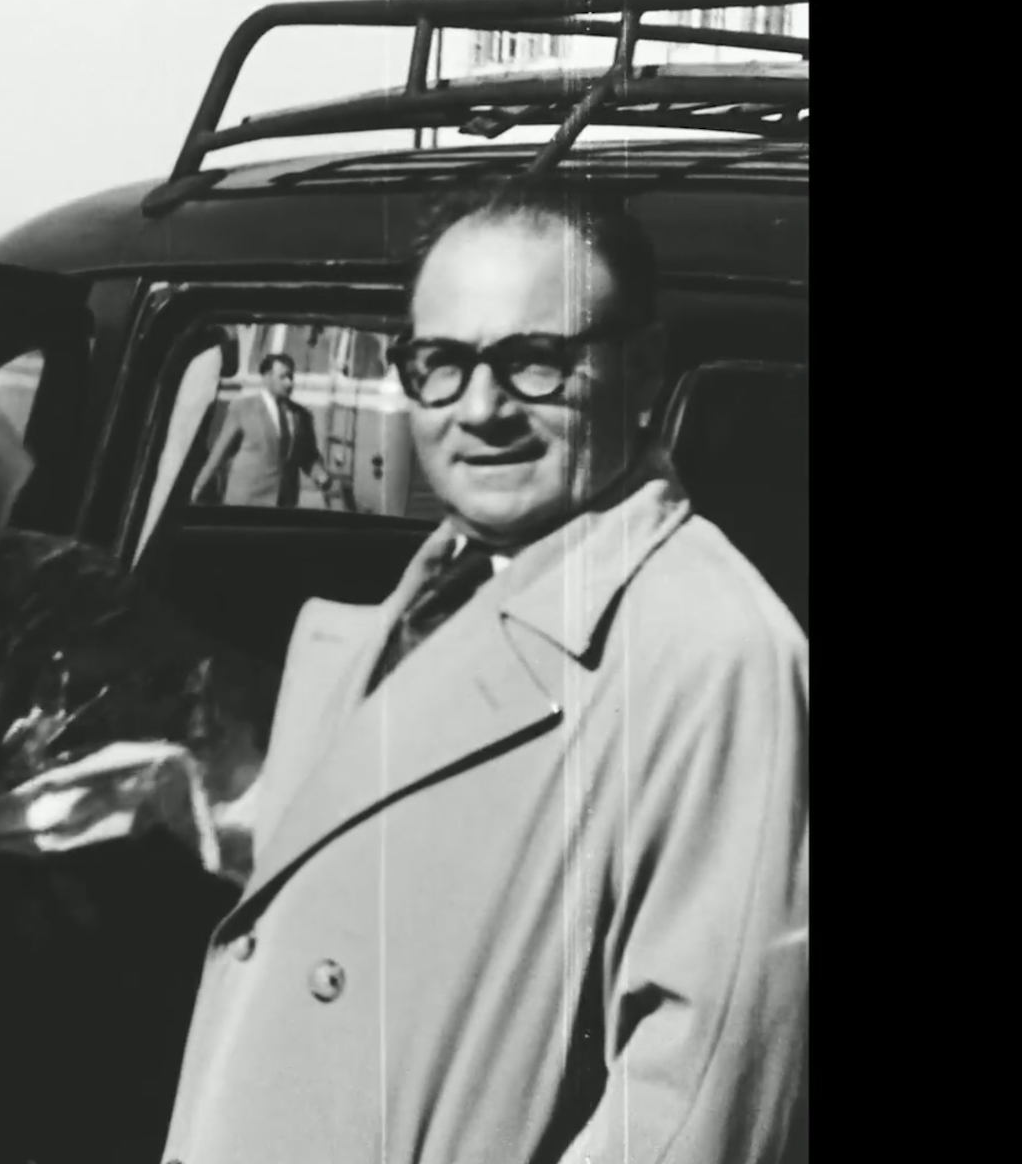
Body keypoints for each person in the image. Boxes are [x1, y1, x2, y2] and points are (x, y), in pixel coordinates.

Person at [158, 179, 809, 1163]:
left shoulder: (716, 651)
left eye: (537, 363)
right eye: (443, 364)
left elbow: (699, 1104)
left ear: (643, 369)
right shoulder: (449, 582)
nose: (483, 409)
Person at [189, 353, 328, 508]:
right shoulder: (243, 408)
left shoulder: (301, 416)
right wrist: (197, 489)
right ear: (267, 378)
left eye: (291, 377)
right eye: (283, 377)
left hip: (284, 503)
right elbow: (219, 453)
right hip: (246, 501)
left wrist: (320, 475)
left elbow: (308, 456)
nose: (289, 383)